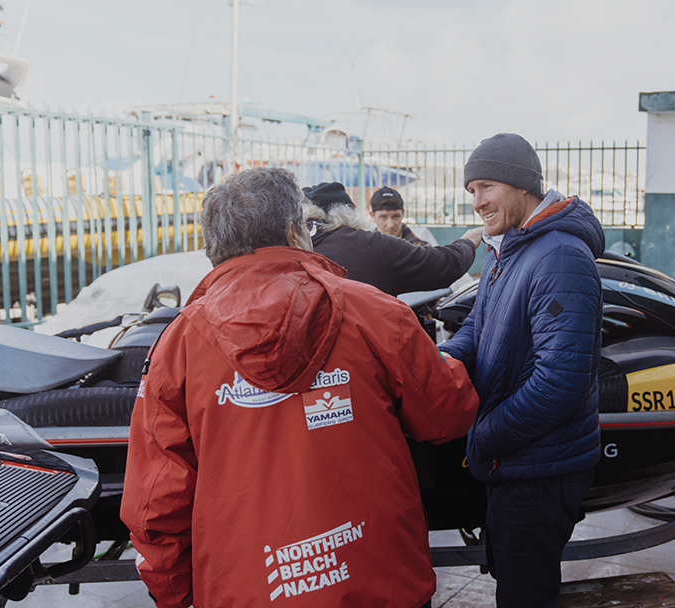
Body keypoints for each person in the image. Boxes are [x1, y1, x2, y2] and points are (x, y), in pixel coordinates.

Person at [121, 167, 479, 608]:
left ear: (214, 248)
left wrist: (174, 594)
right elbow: (448, 415)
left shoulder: (176, 346)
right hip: (380, 581)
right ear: (296, 230)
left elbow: (156, 500)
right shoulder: (375, 313)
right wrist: (455, 357)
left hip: (245, 589)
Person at [437, 133, 605, 608]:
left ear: (521, 185)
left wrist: (485, 435)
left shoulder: (558, 257)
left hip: (537, 469)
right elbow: (477, 324)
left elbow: (561, 382)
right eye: (471, 191)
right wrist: (443, 360)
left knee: (525, 594)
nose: (477, 202)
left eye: (485, 186)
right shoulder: (510, 248)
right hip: (517, 460)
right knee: (517, 583)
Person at [302, 182, 483, 297]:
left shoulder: (290, 249)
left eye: (395, 217)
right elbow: (444, 265)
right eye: (383, 217)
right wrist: (468, 240)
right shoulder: (372, 246)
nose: (390, 224)